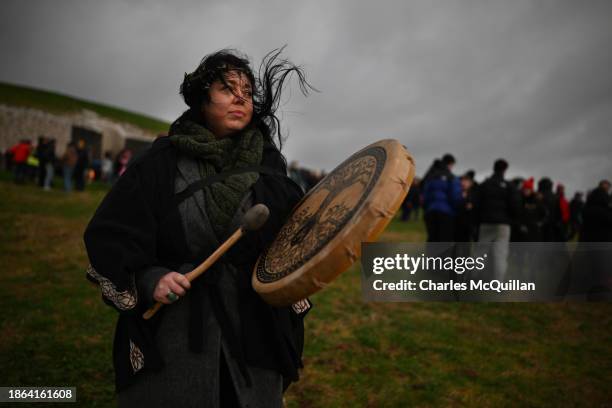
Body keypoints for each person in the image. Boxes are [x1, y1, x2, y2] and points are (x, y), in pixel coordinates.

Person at [84, 48, 313, 408]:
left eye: (247, 92)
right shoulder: (159, 163)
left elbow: (295, 241)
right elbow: (112, 233)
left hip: (252, 328)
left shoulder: (270, 167)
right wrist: (151, 278)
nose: (241, 98)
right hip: (175, 329)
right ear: (202, 100)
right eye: (227, 88)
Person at [475, 159, 520, 280]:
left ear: (493, 168)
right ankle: (498, 282)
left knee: (481, 252)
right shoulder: (509, 186)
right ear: (505, 170)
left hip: (486, 222)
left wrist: (478, 220)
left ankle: (474, 279)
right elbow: (515, 206)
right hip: (503, 224)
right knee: (500, 254)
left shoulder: (485, 185)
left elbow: (477, 204)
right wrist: (512, 220)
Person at [422, 154, 462, 241]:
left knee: (432, 239)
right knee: (444, 240)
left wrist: (427, 208)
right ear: (450, 164)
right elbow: (455, 196)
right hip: (446, 213)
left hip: (431, 212)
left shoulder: (430, 176)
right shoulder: (451, 178)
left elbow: (425, 195)